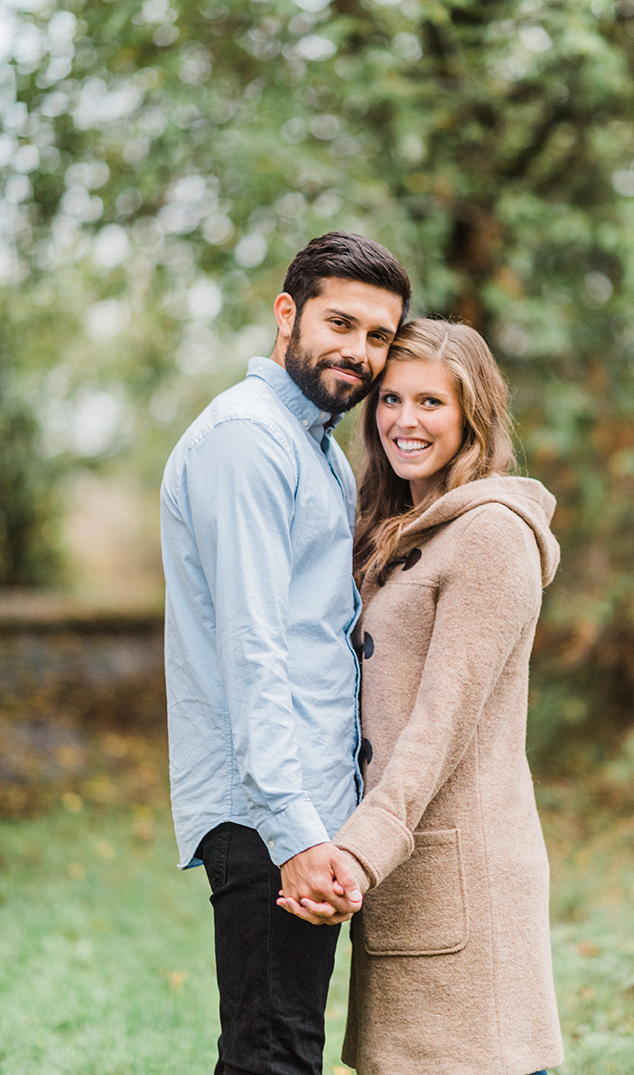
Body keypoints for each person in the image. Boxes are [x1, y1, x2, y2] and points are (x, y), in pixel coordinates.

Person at [279, 318, 564, 1075]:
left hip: (462, 872)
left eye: (431, 403)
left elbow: (441, 722)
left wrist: (358, 855)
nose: (405, 421)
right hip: (409, 871)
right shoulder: (401, 530)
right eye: (391, 400)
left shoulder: (491, 537)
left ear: (472, 414)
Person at [160, 231, 410, 1075]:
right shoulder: (247, 440)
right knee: (274, 1057)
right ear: (286, 313)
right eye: (341, 324)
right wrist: (295, 830)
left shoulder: (317, 450)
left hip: (301, 804)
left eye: (379, 337)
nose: (360, 353)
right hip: (269, 809)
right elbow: (252, 648)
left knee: (282, 1050)